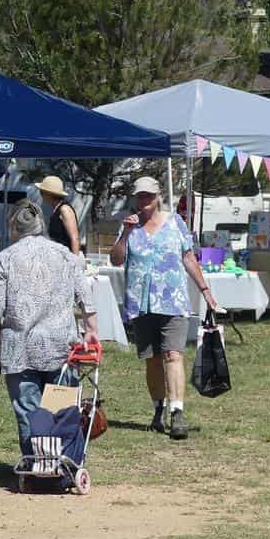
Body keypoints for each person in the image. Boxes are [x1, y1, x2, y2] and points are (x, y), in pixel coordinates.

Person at [0, 201, 99, 456]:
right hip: (60, 345)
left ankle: (35, 464)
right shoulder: (65, 255)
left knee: (28, 411)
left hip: (19, 348)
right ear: (41, 225)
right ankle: (63, 465)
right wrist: (91, 329)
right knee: (60, 408)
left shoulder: (6, 258)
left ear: (14, 227)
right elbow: (86, 296)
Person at [110, 176, 217, 439]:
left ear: (158, 197)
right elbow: (115, 259)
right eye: (140, 196)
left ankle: (177, 412)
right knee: (153, 359)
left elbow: (188, 257)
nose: (144, 201)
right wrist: (124, 233)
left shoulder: (175, 223)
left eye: (148, 195)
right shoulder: (129, 226)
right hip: (141, 302)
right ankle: (158, 409)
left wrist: (205, 291)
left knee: (173, 354)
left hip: (172, 300)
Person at [36, 175, 81, 255]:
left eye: (42, 192)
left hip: (66, 259)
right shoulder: (56, 209)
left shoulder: (64, 209)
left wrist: (74, 263)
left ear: (49, 193)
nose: (41, 195)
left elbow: (75, 238)